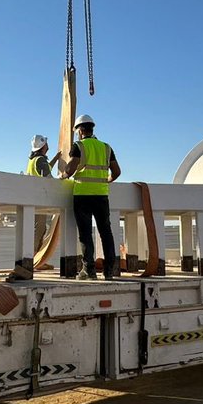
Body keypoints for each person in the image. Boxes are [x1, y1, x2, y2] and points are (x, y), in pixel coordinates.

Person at [60, 114, 122, 280]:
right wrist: (105, 181)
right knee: (106, 232)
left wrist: (62, 176)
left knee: (85, 234)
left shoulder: (79, 146)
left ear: (80, 131)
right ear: (91, 129)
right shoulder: (106, 147)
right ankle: (109, 271)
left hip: (82, 195)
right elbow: (117, 172)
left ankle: (89, 270)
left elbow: (70, 169)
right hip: (101, 195)